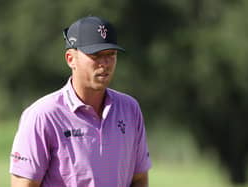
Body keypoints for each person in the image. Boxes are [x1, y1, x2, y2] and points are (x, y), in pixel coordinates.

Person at [10, 16, 151, 187]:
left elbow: (139, 179)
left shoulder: (130, 109)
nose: (105, 63)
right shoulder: (42, 115)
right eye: (96, 55)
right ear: (71, 59)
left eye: (111, 55)